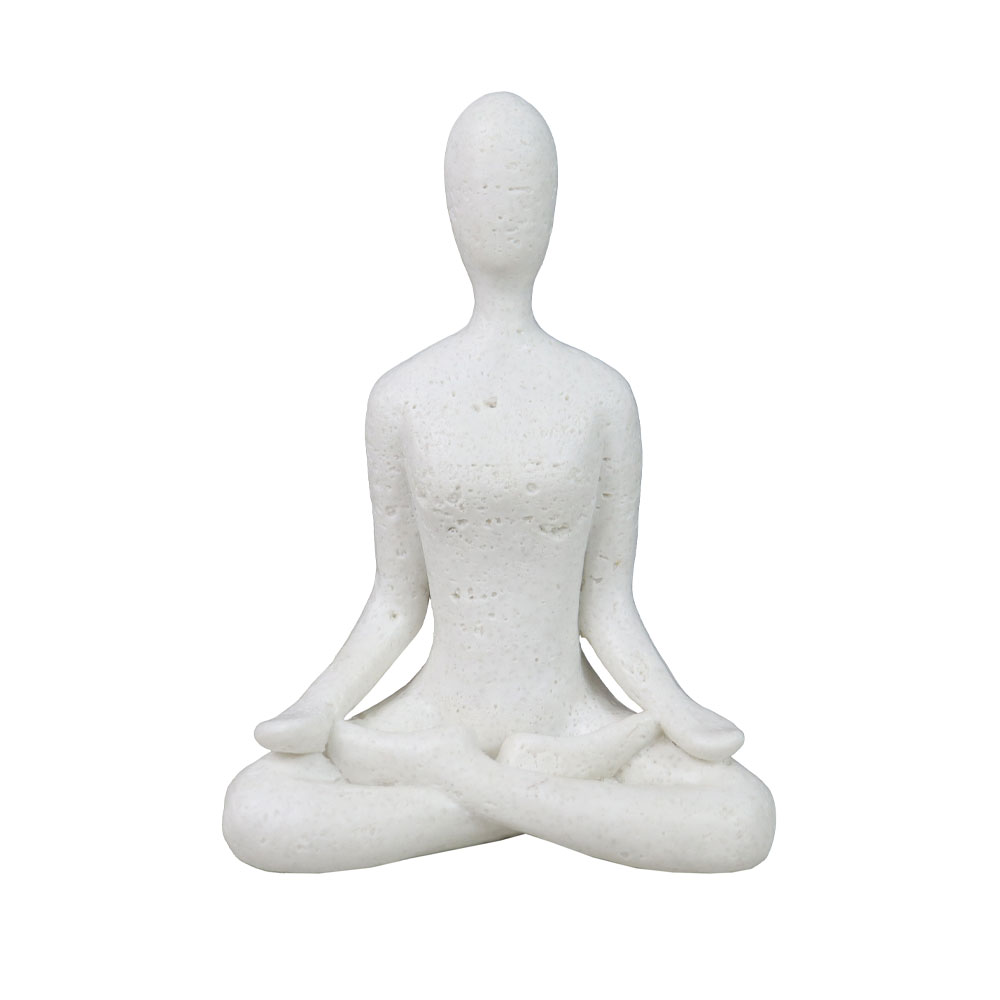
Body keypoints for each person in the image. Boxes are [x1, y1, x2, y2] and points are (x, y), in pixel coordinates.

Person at [223, 92, 775, 873]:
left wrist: (679, 713)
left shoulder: (600, 396)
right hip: (433, 717)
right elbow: (395, 598)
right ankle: (533, 795)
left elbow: (607, 604)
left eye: (523, 189)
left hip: (574, 719)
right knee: (258, 809)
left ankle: (474, 785)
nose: (502, 210)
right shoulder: (403, 397)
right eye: (480, 189)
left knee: (741, 816)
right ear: (449, 208)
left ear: (554, 205)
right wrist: (318, 706)